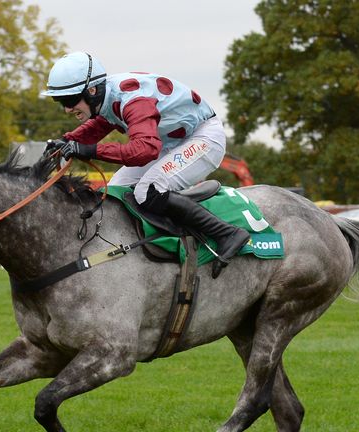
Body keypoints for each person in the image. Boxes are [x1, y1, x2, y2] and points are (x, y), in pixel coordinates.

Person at [42, 52, 250, 278]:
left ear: (91, 91)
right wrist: (68, 141)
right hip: (169, 142)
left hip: (202, 138)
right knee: (114, 192)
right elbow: (101, 124)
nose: (66, 109)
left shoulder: (133, 100)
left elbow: (144, 150)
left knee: (149, 190)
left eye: (69, 100)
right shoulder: (106, 97)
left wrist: (90, 150)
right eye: (61, 102)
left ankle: (227, 233)